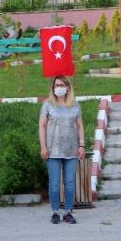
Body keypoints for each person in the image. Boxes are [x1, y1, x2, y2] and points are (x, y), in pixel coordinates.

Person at [38, 76, 85, 224]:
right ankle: (55, 212)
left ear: (68, 87)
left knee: (70, 183)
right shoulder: (47, 104)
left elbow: (80, 126)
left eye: (62, 85)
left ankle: (68, 212)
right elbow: (42, 126)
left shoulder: (75, 105)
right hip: (53, 150)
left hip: (71, 150)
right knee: (54, 183)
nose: (59, 87)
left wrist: (82, 145)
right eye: (57, 85)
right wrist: (43, 146)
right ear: (53, 88)